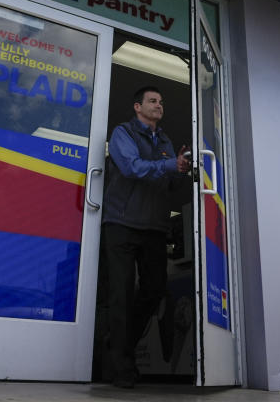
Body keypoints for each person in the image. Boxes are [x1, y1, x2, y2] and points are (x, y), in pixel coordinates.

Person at [100, 85, 190, 388]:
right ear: (137, 107)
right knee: (121, 295)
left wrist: (178, 170)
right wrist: (168, 165)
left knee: (154, 290)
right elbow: (131, 168)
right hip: (122, 223)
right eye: (153, 101)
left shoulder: (165, 140)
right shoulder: (122, 133)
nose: (159, 105)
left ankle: (117, 344)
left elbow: (169, 185)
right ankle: (121, 367)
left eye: (161, 102)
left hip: (154, 227)